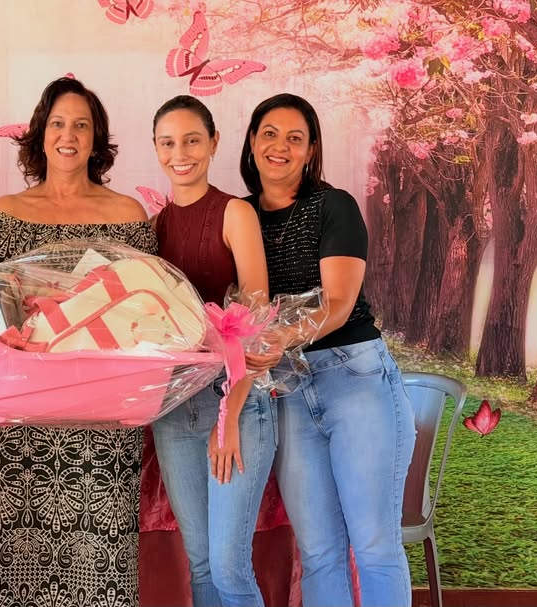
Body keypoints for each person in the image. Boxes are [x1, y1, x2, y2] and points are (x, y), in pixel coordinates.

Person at [0, 76, 156, 607]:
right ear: (40, 133)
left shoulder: (127, 216)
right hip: (17, 429)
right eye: (57, 123)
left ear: (97, 139)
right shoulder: (2, 214)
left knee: (103, 571)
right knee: (16, 573)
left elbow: (147, 313)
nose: (68, 135)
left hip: (103, 424)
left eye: (81, 125)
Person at [240, 93, 416, 607]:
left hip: (353, 377)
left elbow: (338, 304)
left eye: (295, 138)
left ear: (311, 150)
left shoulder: (333, 206)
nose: (280, 146)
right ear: (251, 141)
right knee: (318, 552)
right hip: (289, 390)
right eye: (270, 134)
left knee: (375, 545)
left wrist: (280, 337)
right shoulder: (240, 215)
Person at [149, 95, 283, 607]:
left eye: (191, 140)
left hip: (236, 403)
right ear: (156, 149)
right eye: (167, 143)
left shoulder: (235, 213)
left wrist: (230, 417)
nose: (179, 153)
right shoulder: (154, 227)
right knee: (202, 563)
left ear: (213, 144)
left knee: (228, 566)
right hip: (174, 409)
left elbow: (255, 322)